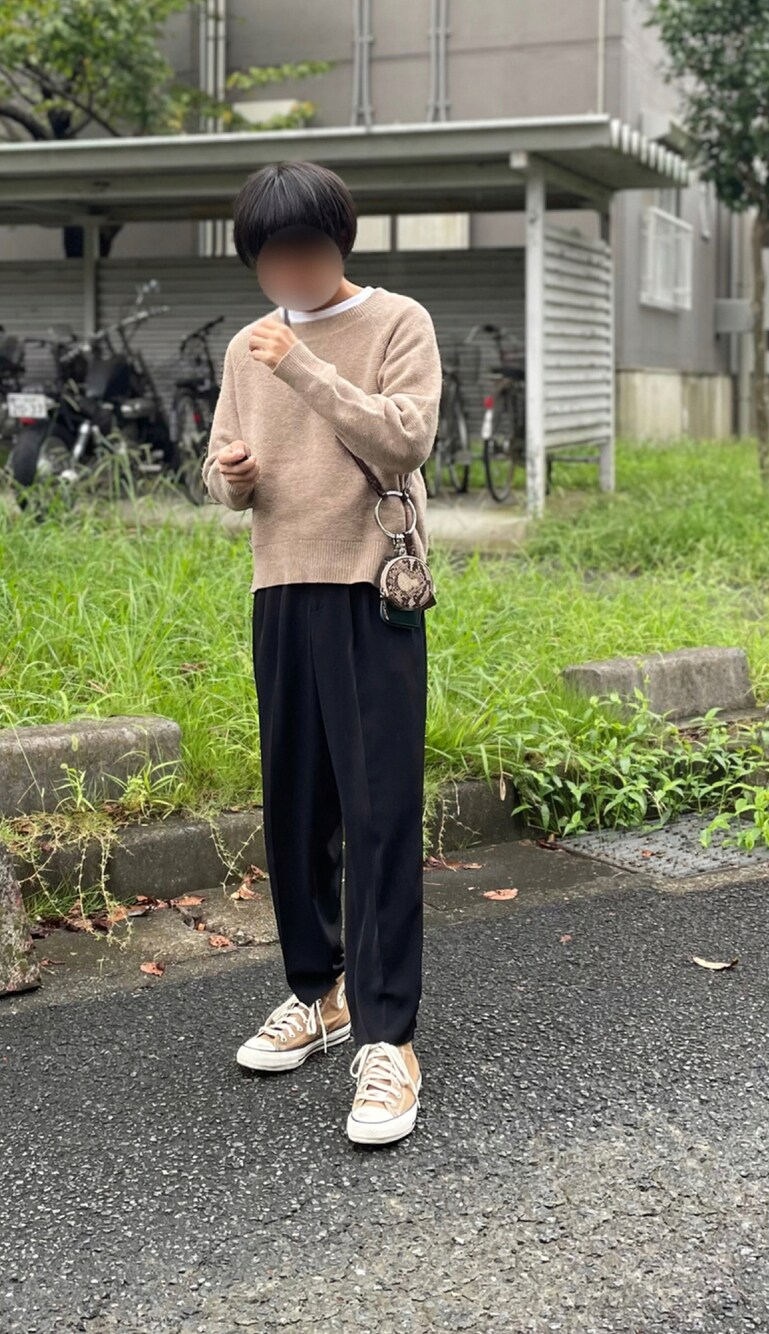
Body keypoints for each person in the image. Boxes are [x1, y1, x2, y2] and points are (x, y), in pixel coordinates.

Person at [200, 159, 442, 1146]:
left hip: (371, 587)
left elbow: (404, 441)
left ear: (338, 243)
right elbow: (221, 475)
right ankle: (318, 992)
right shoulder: (242, 348)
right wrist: (230, 473)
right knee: (296, 810)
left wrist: (300, 364)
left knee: (378, 813)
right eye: (270, 259)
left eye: (304, 252)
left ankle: (389, 1037)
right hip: (282, 588)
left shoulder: (397, 323)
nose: (289, 273)